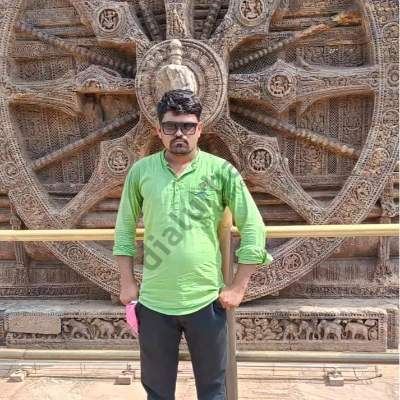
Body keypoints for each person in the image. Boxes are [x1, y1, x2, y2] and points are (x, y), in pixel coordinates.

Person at [113, 89, 273, 400]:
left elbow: (253, 227)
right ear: (159, 130)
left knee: (212, 391)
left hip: (206, 301)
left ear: (199, 129)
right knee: (158, 393)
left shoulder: (221, 171)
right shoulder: (141, 172)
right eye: (171, 126)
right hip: (154, 303)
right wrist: (127, 283)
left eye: (187, 126)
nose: (179, 133)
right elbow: (124, 229)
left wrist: (238, 287)